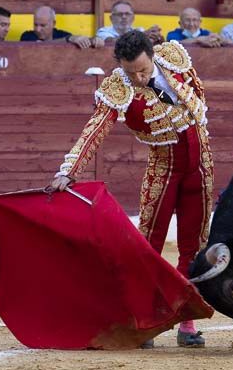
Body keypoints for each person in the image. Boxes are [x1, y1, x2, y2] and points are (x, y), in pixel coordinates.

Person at [48, 30, 214, 348]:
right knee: (148, 246)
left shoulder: (174, 58)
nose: (138, 77)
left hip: (201, 164)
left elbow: (198, 99)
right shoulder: (119, 87)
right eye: (131, 71)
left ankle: (186, 321)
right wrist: (68, 171)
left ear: (153, 56)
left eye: (142, 70)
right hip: (163, 168)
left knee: (194, 246)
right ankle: (144, 319)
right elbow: (95, 128)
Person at [21, 6, 100, 48]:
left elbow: (79, 41)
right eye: (35, 25)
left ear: (54, 23)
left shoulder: (63, 35)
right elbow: (42, 46)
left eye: (43, 25)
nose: (38, 29)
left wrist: (93, 40)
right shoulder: (27, 36)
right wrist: (68, 39)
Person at [95, 0, 163, 43]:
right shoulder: (103, 31)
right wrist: (142, 35)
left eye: (127, 14)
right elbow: (112, 42)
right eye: (119, 14)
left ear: (133, 18)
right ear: (111, 18)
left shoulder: (140, 30)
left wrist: (157, 37)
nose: (124, 17)